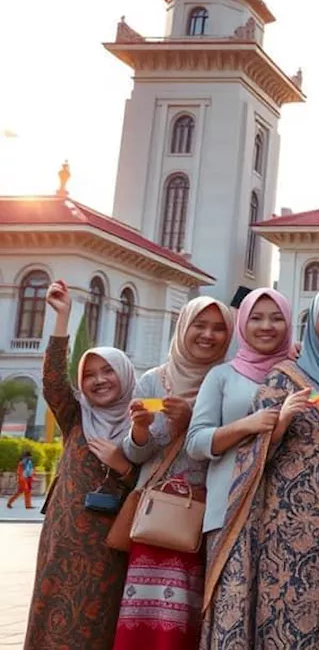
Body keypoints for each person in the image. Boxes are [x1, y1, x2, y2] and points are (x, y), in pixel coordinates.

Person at [202, 284, 319, 649]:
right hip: (287, 523)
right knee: (289, 609)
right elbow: (251, 451)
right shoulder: (285, 374)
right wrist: (280, 424)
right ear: (312, 318)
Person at [114, 296, 233, 650]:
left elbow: (232, 445)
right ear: (183, 327)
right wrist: (140, 430)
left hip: (210, 514)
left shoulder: (228, 381)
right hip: (159, 514)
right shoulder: (154, 381)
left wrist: (190, 424)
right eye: (200, 325)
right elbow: (136, 453)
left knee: (195, 613)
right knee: (148, 617)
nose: (208, 335)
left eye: (218, 328)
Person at [25, 279, 138, 650]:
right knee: (52, 614)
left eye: (107, 372)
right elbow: (53, 381)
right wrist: (62, 317)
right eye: (89, 375)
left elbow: (149, 480)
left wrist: (121, 464)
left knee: (99, 618)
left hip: (110, 542)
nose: (99, 380)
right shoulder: (76, 416)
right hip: (65, 536)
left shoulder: (140, 419)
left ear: (123, 374)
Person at [186, 289, 293, 550]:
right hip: (229, 510)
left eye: (276, 318)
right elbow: (195, 443)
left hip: (289, 515)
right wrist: (246, 425)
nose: (266, 326)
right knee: (231, 591)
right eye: (256, 318)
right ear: (242, 322)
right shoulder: (222, 376)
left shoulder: (299, 373)